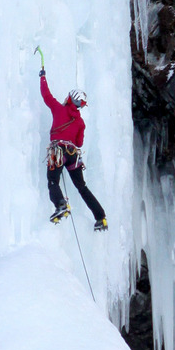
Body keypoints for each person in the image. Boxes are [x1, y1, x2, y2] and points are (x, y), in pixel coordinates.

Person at [38, 59, 107, 230]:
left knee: (53, 181)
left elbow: (47, 95)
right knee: (82, 187)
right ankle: (101, 218)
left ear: (69, 98)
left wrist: (43, 76)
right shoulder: (80, 122)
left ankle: (60, 204)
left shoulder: (59, 109)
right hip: (73, 155)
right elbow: (79, 142)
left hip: (58, 150)